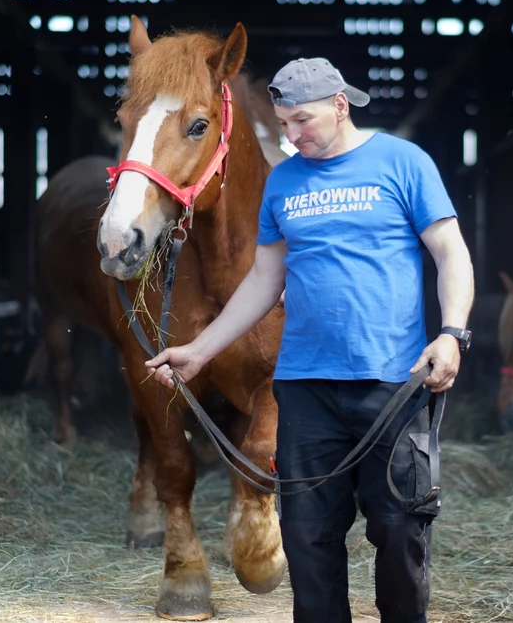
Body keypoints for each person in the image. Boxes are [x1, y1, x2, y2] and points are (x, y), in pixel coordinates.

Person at [144, 57, 475, 623]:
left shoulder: (402, 162)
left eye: (302, 121)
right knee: (308, 540)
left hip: (392, 384)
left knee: (399, 534)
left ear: (340, 106)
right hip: (305, 389)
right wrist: (199, 353)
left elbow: (451, 253)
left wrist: (451, 334)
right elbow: (263, 280)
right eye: (283, 122)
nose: (292, 136)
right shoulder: (285, 181)